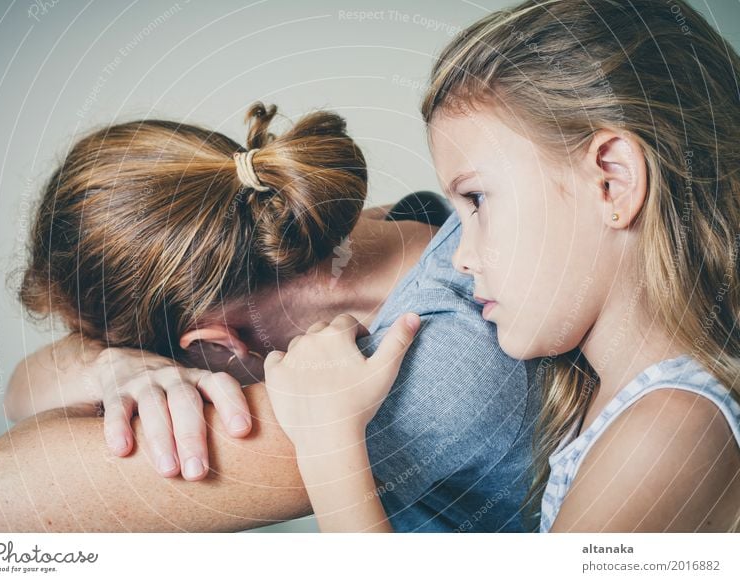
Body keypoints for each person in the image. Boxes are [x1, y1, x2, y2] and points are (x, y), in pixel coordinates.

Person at [262, 0, 740, 532]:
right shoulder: (602, 397)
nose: (462, 259)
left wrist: (329, 441)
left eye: (478, 200)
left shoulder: (668, 432)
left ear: (613, 182)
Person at [0, 104, 540, 532]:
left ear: (213, 344)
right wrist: (114, 369)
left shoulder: (432, 366)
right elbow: (22, 390)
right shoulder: (409, 223)